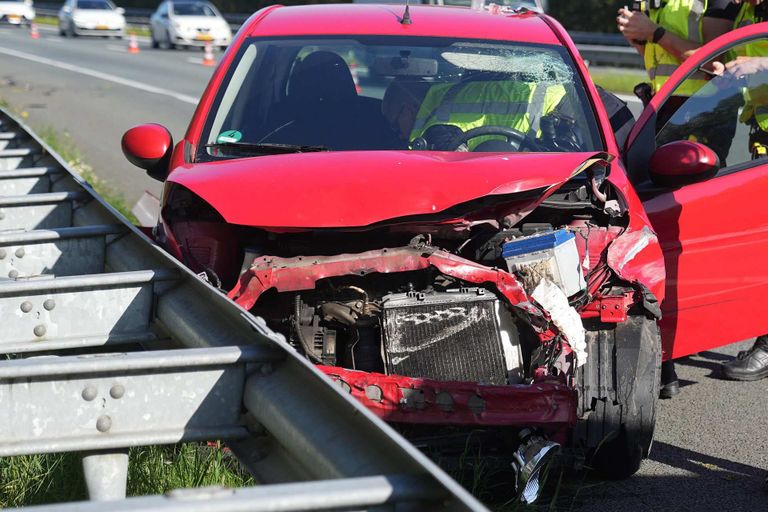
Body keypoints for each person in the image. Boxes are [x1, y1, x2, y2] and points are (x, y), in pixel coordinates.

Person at [616, 1, 739, 398]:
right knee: (656, 232)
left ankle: (674, 348)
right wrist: (640, 38)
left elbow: (717, 63)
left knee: (686, 233)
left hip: (702, 111)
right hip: (661, 110)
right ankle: (667, 353)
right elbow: (656, 58)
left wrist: (653, 33)